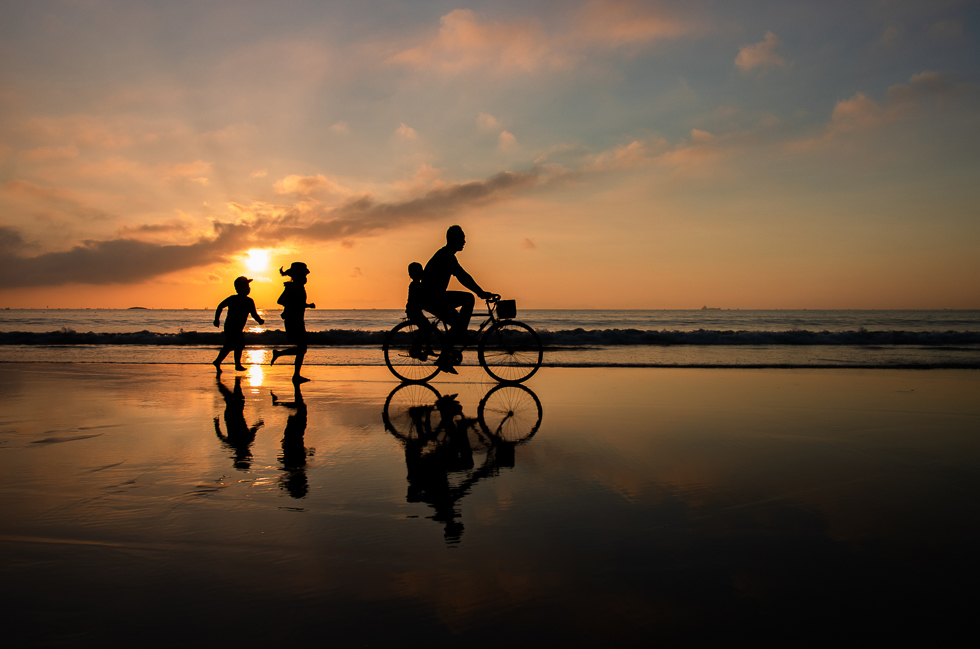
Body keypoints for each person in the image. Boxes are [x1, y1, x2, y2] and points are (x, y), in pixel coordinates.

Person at [422, 225, 495, 372]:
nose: (464, 242)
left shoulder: (447, 254)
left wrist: (480, 292)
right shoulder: (446, 256)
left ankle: (446, 354)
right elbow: (463, 276)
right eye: (462, 239)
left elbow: (463, 276)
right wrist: (480, 293)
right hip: (433, 298)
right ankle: (454, 345)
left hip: (433, 297)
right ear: (454, 239)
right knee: (468, 298)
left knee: (457, 324)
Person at [271, 262, 315, 383]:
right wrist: (293, 308)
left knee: (302, 348)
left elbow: (297, 303)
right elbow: (281, 301)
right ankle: (294, 374)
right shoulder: (292, 287)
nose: (305, 278)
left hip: (297, 320)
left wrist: (307, 305)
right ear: (297, 276)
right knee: (302, 348)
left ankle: (295, 374)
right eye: (303, 275)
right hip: (293, 321)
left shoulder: (298, 287)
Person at [212, 276, 265, 372]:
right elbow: (220, 306)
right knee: (237, 344)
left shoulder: (249, 301)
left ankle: (219, 361)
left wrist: (259, 320)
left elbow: (253, 313)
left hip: (238, 327)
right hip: (230, 326)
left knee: (232, 345)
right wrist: (216, 319)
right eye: (246, 286)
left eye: (248, 286)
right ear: (239, 288)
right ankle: (235, 364)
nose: (248, 288)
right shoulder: (233, 299)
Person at [406, 262, 433, 361]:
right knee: (426, 327)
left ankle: (423, 347)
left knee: (426, 327)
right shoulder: (416, 285)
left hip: (413, 311)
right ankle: (422, 348)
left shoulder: (415, 284)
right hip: (414, 311)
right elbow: (419, 300)